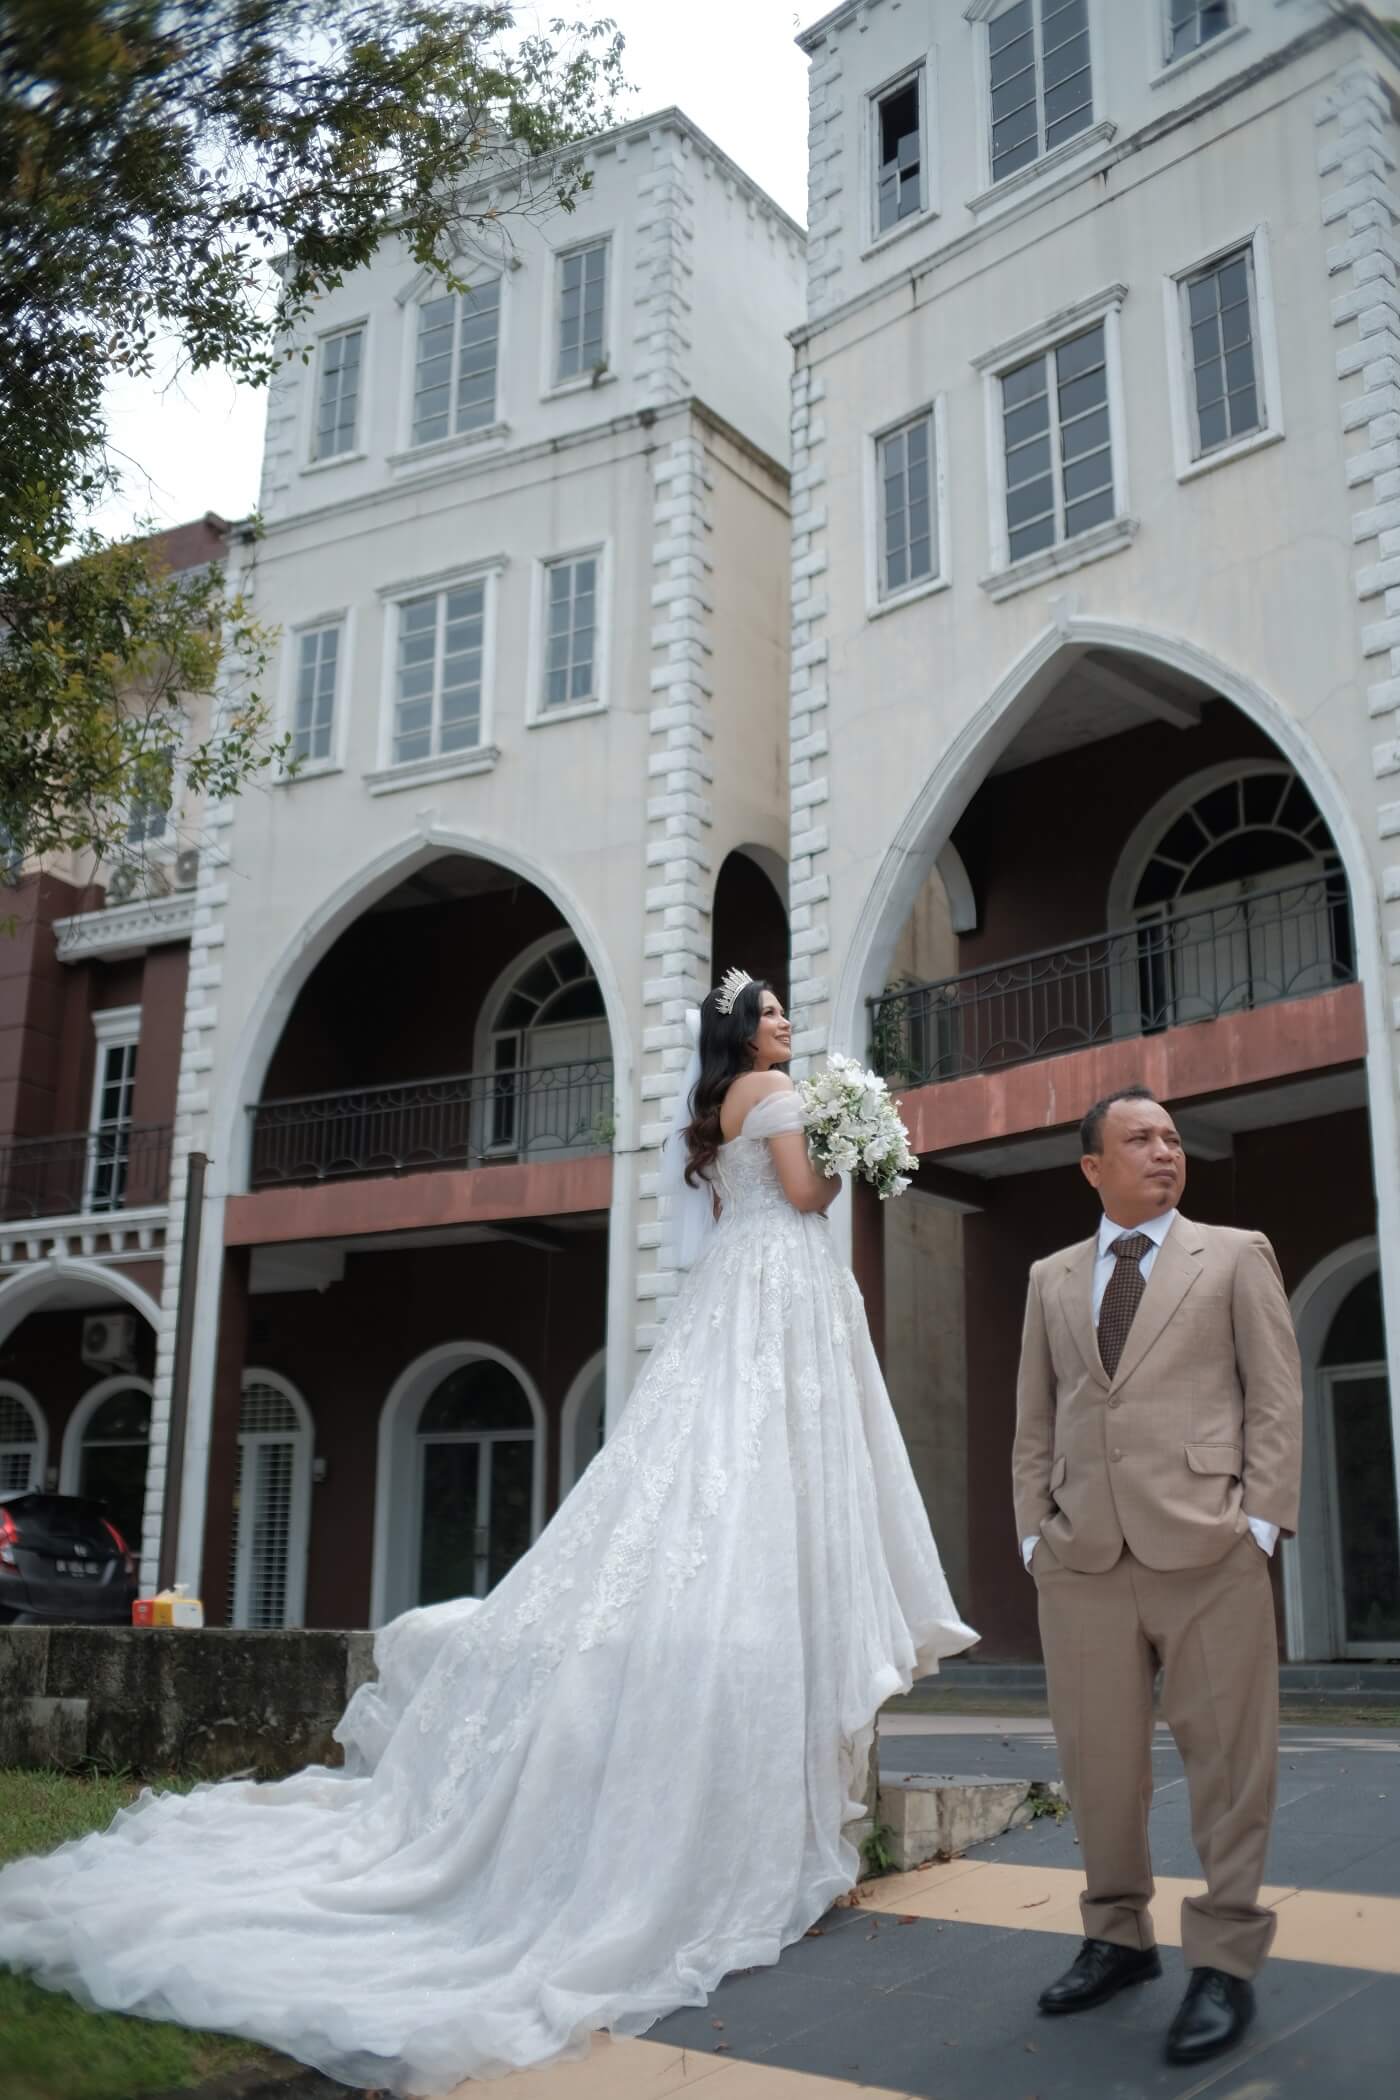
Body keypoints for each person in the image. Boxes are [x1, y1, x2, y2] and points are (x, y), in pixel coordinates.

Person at [0, 969, 975, 2097]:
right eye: (768, 1013)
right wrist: (850, 1145)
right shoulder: (774, 1094)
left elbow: (746, 1202)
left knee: (714, 1461)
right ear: (742, 1034)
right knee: (761, 1460)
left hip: (739, 1287)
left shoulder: (717, 1110)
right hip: (780, 1282)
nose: (783, 1022)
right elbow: (804, 1197)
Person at [1012, 1084, 1302, 2067]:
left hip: (1208, 1549)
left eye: (1171, 1138)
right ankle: (1116, 1939)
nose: (1164, 1151)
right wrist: (1034, 1539)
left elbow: (1274, 1396)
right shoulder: (1050, 1277)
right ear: (1093, 1167)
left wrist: (1258, 1526)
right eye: (1139, 1139)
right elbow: (1034, 1417)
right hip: (1082, 1558)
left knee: (1228, 1763)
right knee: (1097, 1763)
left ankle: (1222, 1960)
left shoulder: (1235, 1255)